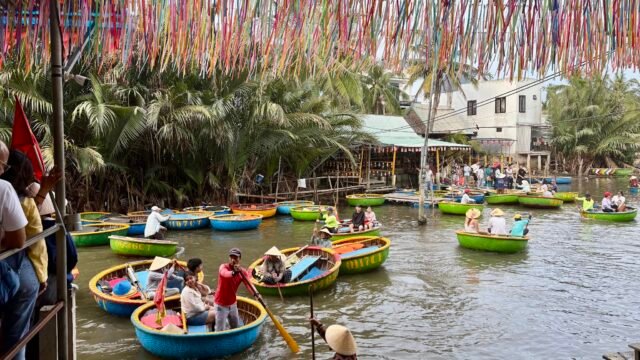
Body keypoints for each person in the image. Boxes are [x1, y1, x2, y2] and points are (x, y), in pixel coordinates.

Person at [0, 141, 32, 359]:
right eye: (3, 165)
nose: (4, 171)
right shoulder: (3, 188)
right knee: (27, 287)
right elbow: (18, 240)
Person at [214, 248, 260, 332]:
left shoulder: (242, 272)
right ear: (229, 258)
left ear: (239, 259)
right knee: (219, 329)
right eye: (231, 257)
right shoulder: (223, 267)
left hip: (232, 303)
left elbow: (249, 285)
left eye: (235, 258)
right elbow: (225, 274)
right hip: (220, 304)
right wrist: (234, 272)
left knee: (235, 326)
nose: (233, 260)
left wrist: (256, 294)